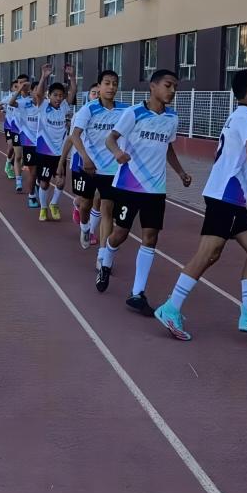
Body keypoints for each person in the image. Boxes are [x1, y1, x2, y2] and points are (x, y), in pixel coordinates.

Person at [152, 69, 247, 341]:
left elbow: (239, 153)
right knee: (208, 254)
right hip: (226, 196)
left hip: (227, 196)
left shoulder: (238, 115)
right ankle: (171, 307)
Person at [103, 70, 193, 314]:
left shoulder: (172, 117)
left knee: (151, 237)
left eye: (175, 87)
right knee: (120, 234)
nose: (172, 91)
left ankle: (137, 293)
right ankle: (106, 260)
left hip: (156, 189)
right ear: (153, 86)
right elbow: (111, 139)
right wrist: (117, 153)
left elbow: (168, 147)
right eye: (168, 85)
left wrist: (181, 172)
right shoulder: (133, 113)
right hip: (128, 186)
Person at [64, 71, 129, 266]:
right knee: (85, 204)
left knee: (106, 209)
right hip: (90, 167)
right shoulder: (88, 109)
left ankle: (102, 256)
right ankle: (85, 228)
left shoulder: (125, 110)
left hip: (111, 170)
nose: (111, 87)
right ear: (99, 87)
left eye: (114, 83)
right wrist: (85, 158)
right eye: (107, 83)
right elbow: (75, 136)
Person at [31, 63, 77, 221]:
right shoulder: (43, 106)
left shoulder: (64, 106)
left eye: (60, 95)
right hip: (44, 152)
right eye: (55, 95)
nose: (58, 98)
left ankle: (54, 204)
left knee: (61, 182)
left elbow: (73, 92)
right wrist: (44, 77)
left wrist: (72, 76)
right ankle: (43, 207)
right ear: (49, 95)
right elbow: (38, 94)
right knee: (44, 183)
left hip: (60, 153)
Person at [67, 83, 101, 236]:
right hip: (81, 161)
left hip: (102, 164)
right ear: (88, 95)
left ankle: (90, 231)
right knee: (83, 199)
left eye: (99, 93)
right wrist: (63, 160)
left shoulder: (111, 114)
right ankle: (76, 205)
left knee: (98, 199)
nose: (97, 96)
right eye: (94, 93)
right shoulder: (81, 114)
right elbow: (72, 138)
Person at [11, 80, 42, 208]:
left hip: (44, 143)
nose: (39, 92)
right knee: (33, 172)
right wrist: (20, 89)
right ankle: (31, 196)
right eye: (36, 90)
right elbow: (11, 103)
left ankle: (37, 185)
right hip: (29, 142)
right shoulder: (25, 103)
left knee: (41, 173)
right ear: (31, 91)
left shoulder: (46, 105)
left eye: (41, 90)